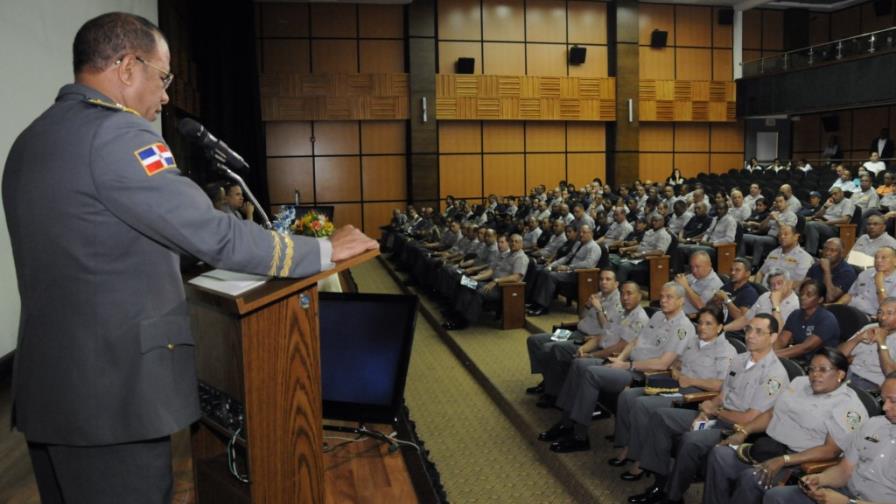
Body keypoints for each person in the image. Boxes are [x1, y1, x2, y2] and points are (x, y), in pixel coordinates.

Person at [1, 12, 378, 504]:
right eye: (162, 78)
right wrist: (325, 249)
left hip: (54, 390)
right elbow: (213, 235)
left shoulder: (33, 139)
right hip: (114, 399)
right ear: (127, 66)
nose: (163, 97)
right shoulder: (118, 136)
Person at [628, 314, 789, 504]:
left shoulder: (774, 374)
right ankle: (660, 482)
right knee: (661, 417)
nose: (750, 335)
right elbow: (722, 395)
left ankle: (672, 496)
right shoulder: (739, 359)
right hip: (717, 416)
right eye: (748, 329)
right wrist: (706, 410)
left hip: (737, 429)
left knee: (691, 440)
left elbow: (751, 418)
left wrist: (716, 413)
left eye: (759, 331)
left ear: (772, 337)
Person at [539, 283, 692, 454]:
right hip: (627, 364)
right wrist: (620, 358)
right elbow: (635, 342)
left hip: (643, 374)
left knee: (591, 374)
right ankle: (567, 422)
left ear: (681, 301)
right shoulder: (657, 316)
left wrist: (627, 365)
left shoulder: (683, 328)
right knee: (580, 365)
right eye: (662, 296)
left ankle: (579, 436)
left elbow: (663, 363)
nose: (663, 301)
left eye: (669, 297)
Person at [704, 348, 868, 504]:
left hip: (796, 462)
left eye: (823, 370)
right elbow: (772, 413)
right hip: (766, 446)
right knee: (720, 455)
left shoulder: (848, 406)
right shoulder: (799, 383)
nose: (814, 375)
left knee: (752, 478)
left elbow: (830, 450)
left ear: (840, 374)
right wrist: (744, 431)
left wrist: (784, 460)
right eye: (811, 369)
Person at [610, 306, 736, 482]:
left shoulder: (726, 351)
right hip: (675, 385)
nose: (702, 327)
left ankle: (638, 458)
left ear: (720, 327)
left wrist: (691, 381)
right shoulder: (693, 341)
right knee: (628, 396)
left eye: (709, 324)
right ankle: (628, 446)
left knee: (642, 404)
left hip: (695, 395)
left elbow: (721, 385)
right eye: (700, 323)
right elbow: (677, 361)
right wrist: (676, 370)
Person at [763, 371, 896, 504]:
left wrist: (847, 503)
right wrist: (820, 479)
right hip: (847, 493)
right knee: (777, 497)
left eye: (893, 401)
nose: (885, 407)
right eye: (884, 400)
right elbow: (845, 470)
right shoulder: (874, 425)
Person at [526, 280, 648, 407]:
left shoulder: (619, 306)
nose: (603, 282)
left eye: (608, 279)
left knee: (554, 349)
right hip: (576, 333)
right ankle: (548, 383)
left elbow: (609, 335)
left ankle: (554, 393)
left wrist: (599, 309)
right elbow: (583, 318)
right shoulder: (603, 299)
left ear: (615, 284)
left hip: (588, 339)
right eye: (601, 279)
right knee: (534, 340)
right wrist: (588, 305)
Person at [775, 279, 840, 362]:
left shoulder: (827, 319)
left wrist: (773, 356)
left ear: (820, 299)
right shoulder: (795, 314)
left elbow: (806, 347)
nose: (802, 297)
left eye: (809, 295)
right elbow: (782, 341)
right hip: (796, 359)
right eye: (801, 294)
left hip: (819, 363)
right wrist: (767, 353)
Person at [839, 297, 896, 392]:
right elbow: (838, 355)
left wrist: (881, 343)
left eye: (889, 313)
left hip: (871, 385)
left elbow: (890, 373)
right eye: (880, 312)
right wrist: (857, 338)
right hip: (846, 374)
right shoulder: (869, 327)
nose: (882, 317)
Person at [740, 194, 797, 273]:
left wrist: (777, 219)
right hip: (767, 236)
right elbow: (761, 227)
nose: (778, 204)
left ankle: (754, 266)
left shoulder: (791, 215)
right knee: (742, 237)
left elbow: (786, 231)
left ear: (786, 203)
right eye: (777, 202)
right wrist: (768, 218)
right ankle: (742, 262)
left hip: (778, 239)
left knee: (759, 240)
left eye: (781, 201)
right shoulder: (775, 213)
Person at [839, 246, 896, 318]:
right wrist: (836, 305)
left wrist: (879, 285)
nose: (878, 260)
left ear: (895, 261)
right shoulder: (865, 273)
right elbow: (850, 295)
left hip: (870, 317)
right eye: (876, 258)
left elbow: (887, 309)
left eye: (883, 258)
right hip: (849, 309)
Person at [707, 257, 760, 325]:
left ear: (747, 273)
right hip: (717, 325)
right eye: (731, 269)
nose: (733, 272)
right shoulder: (726, 287)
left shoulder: (750, 293)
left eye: (737, 270)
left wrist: (726, 300)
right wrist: (714, 300)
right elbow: (708, 307)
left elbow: (742, 319)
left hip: (735, 333)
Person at [805, 238, 857, 303]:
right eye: (825, 249)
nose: (827, 253)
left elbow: (830, 297)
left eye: (832, 250)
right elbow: (804, 287)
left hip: (831, 308)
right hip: (811, 302)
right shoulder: (816, 266)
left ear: (842, 253)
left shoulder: (847, 272)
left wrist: (826, 271)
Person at [674, 251, 724, 317]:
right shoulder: (692, 276)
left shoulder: (715, 284)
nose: (694, 270)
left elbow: (701, 306)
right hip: (675, 310)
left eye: (697, 267)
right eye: (692, 267)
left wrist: (686, 287)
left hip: (687, 318)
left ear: (709, 265)